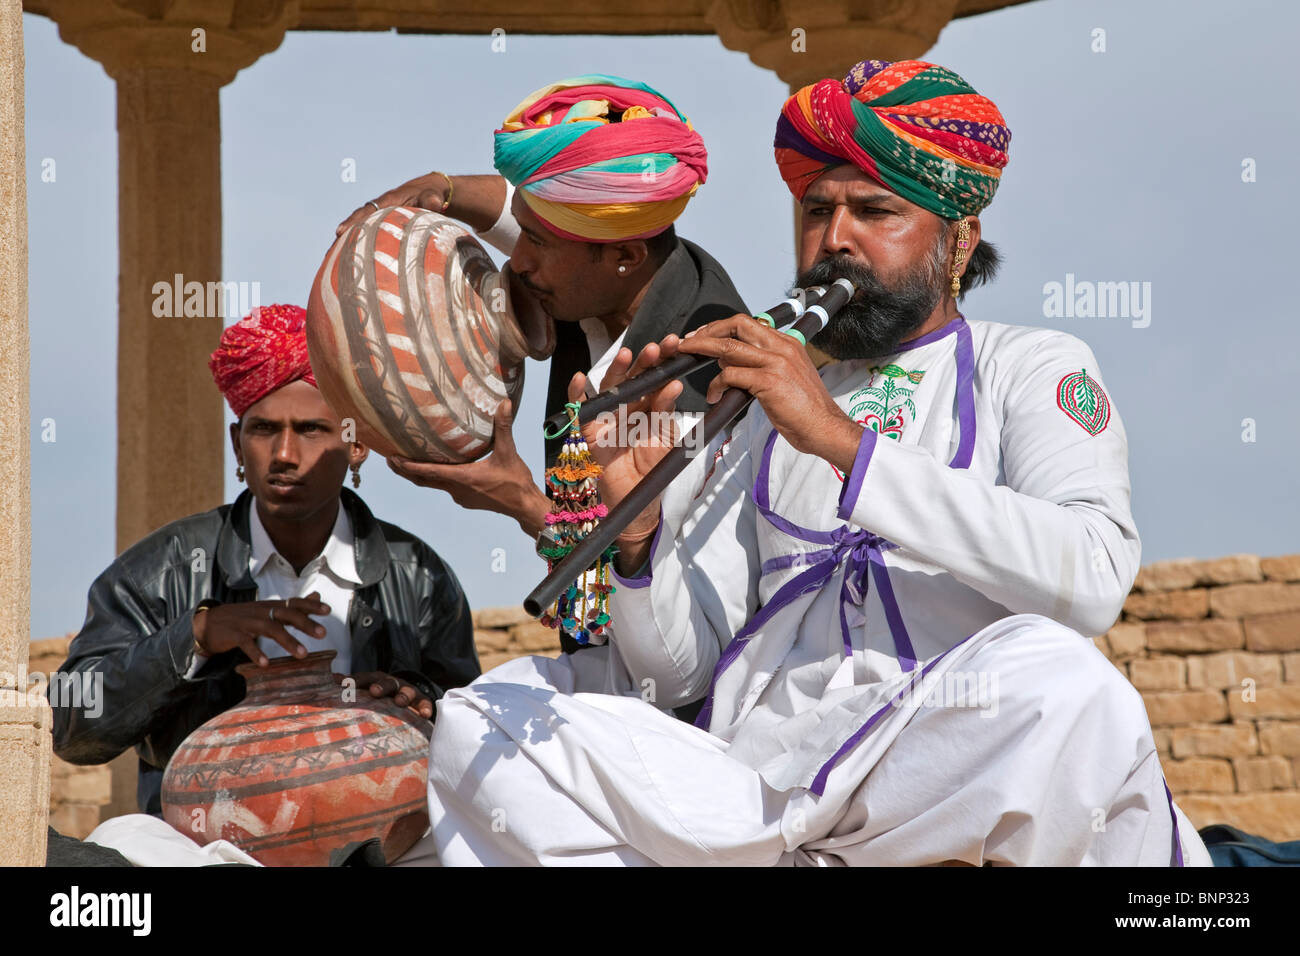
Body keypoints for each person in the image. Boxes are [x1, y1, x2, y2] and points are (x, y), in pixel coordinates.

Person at [424, 59, 1212, 866]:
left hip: (942, 765)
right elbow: (680, 670)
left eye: (875, 211)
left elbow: (1091, 576)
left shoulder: (1033, 365)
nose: (834, 238)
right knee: (496, 713)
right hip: (765, 786)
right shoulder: (759, 402)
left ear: (958, 239)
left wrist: (840, 441)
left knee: (1060, 682)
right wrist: (639, 534)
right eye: (815, 211)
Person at [52, 304, 478, 816]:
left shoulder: (418, 576)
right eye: (263, 430)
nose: (284, 454)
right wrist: (197, 636)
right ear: (237, 443)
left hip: (370, 839)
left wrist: (412, 702)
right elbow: (72, 730)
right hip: (198, 842)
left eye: (312, 430)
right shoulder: (162, 570)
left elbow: (470, 733)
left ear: (357, 443)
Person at [335, 75, 748, 542]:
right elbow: (530, 217)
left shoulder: (699, 398)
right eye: (525, 230)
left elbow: (649, 597)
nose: (518, 261)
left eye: (536, 241)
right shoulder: (614, 268)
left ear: (625, 257)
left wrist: (523, 503)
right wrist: (441, 189)